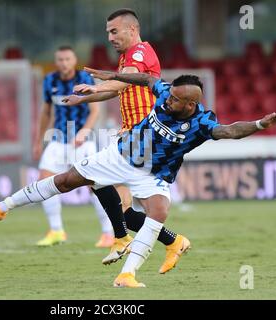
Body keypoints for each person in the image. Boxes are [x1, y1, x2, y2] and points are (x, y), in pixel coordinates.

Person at [0, 70, 276, 288]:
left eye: (177, 100)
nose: (168, 100)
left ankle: (127, 275)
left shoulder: (203, 123)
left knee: (159, 210)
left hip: (152, 175)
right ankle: (1, 208)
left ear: (191, 103)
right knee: (65, 181)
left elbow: (231, 130)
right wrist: (112, 76)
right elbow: (147, 79)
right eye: (171, 95)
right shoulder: (166, 92)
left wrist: (261, 123)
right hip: (118, 156)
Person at [63, 8, 189, 273]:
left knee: (95, 179)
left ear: (132, 29)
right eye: (107, 32)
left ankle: (122, 240)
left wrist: (96, 86)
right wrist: (85, 98)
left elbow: (117, 86)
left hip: (144, 137)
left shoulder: (141, 53)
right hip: (132, 135)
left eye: (114, 31)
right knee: (120, 205)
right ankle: (170, 240)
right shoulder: (126, 60)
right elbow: (115, 90)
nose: (109, 37)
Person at [32, 46, 114, 248]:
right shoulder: (49, 80)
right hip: (58, 139)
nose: (64, 63)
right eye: (60, 59)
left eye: (67, 59)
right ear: (56, 61)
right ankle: (56, 230)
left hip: (82, 141)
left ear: (74, 59)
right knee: (44, 180)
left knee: (95, 185)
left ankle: (108, 233)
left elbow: (95, 110)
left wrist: (85, 131)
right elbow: (46, 113)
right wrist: (38, 140)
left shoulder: (83, 79)